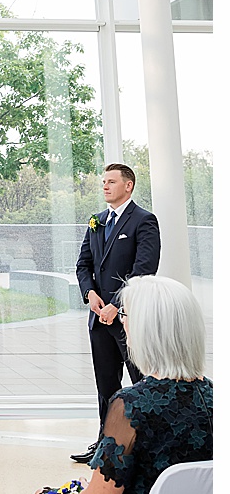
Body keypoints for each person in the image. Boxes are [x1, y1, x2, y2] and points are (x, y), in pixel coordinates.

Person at [29, 274, 211, 494]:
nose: (123, 324)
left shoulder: (129, 406)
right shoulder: (217, 399)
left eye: (126, 317)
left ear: (146, 332)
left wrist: (82, 493)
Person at [73, 162, 161, 463]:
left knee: (140, 381)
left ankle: (146, 444)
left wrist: (117, 305)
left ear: (129, 185)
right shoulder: (96, 221)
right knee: (106, 385)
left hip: (129, 319)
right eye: (103, 182)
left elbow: (144, 269)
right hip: (99, 320)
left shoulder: (144, 221)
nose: (105, 186)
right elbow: (83, 265)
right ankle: (105, 446)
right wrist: (91, 295)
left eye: (111, 181)